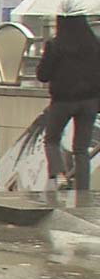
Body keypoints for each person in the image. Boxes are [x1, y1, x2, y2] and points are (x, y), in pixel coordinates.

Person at [35, 12, 100, 190]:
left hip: (62, 101)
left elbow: (43, 75)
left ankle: (59, 173)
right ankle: (83, 191)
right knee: (81, 149)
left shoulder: (55, 45)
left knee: (51, 140)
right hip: (89, 102)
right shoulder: (95, 44)